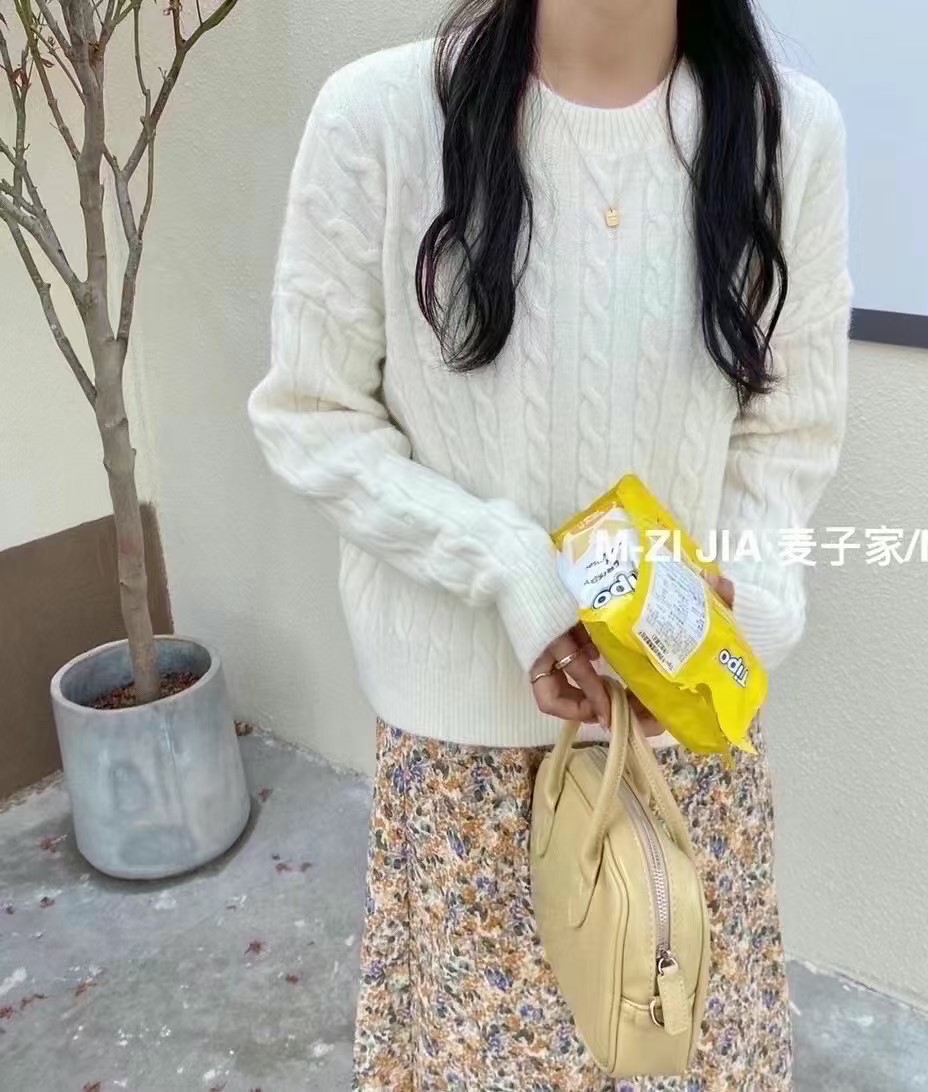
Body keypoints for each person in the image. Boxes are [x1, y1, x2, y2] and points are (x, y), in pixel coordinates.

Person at [249, 0, 851, 1085]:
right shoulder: (380, 117)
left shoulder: (786, 132)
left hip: (685, 748)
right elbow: (312, 414)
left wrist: (742, 611)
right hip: (464, 768)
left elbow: (788, 431)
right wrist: (512, 566)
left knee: (686, 1053)